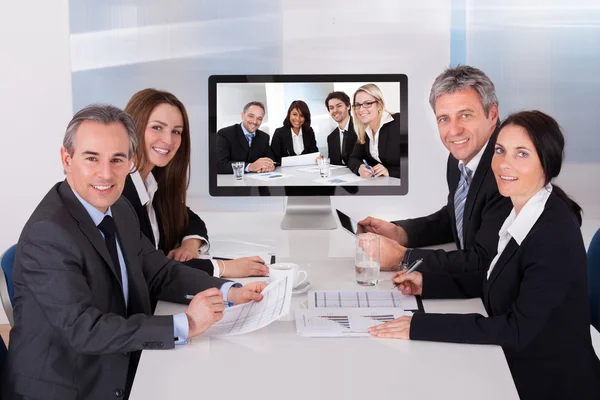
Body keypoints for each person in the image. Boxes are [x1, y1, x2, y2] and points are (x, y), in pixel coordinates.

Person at [0, 104, 266, 400]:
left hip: (122, 358)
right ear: (67, 158)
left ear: (130, 161)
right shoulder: (48, 234)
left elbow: (160, 273)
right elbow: (85, 329)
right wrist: (186, 324)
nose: (106, 173)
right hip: (72, 385)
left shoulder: (119, 208)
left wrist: (228, 291)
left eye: (117, 159)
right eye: (92, 158)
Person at [370, 111, 600, 400]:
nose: (504, 163)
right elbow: (497, 278)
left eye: (522, 154)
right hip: (515, 363)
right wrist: (429, 284)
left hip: (550, 382)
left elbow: (516, 329)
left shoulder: (553, 233)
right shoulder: (520, 211)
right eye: (500, 150)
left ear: (546, 163)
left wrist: (422, 325)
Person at [358, 66, 512, 271]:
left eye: (465, 115)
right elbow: (456, 218)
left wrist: (403, 258)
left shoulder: (508, 170)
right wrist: (401, 233)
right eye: (444, 119)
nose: (454, 130)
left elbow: (486, 264)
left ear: (492, 114)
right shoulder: (460, 156)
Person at [123, 89, 268, 279]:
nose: (168, 140)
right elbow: (148, 268)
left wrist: (190, 243)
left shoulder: (151, 183)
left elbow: (188, 218)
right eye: (157, 127)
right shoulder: (119, 191)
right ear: (133, 127)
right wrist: (221, 268)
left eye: (176, 131)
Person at [347, 84, 402, 179]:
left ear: (379, 105)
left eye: (367, 103)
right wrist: (359, 168)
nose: (361, 109)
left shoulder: (400, 122)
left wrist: (390, 171)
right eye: (357, 105)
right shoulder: (364, 131)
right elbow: (353, 158)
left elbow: (418, 162)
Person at [216, 101, 275, 174]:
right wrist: (250, 166)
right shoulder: (225, 134)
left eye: (259, 118)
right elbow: (219, 164)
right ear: (242, 115)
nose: (254, 121)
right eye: (251, 116)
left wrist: (270, 165)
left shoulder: (264, 137)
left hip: (257, 181)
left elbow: (271, 159)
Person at [325, 91, 357, 166]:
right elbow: (334, 164)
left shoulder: (360, 129)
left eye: (339, 106)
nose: (335, 110)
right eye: (331, 108)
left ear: (348, 106)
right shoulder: (331, 138)